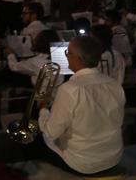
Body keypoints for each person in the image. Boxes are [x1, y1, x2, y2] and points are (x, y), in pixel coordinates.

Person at [30, 36, 126, 175]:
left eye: (67, 53)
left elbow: (51, 132)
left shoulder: (70, 89)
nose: (66, 56)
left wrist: (43, 109)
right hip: (114, 156)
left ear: (78, 58)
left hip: (83, 163)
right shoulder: (115, 84)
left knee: (33, 140)